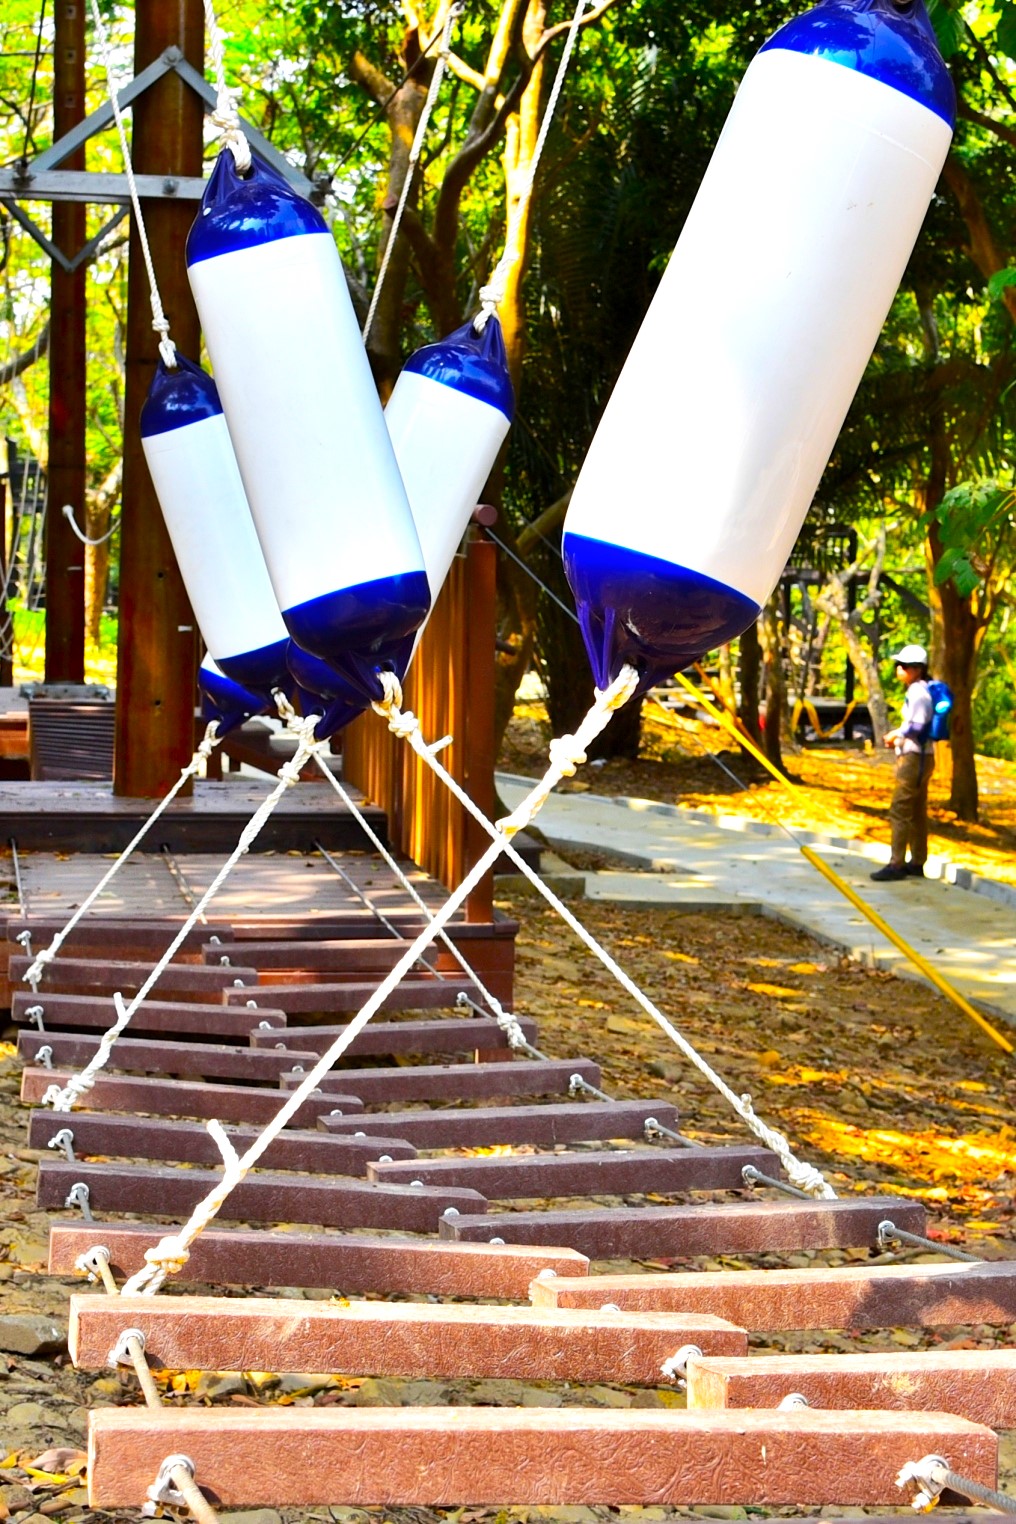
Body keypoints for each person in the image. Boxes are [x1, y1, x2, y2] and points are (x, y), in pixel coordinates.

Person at [870, 643, 934, 882]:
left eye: (904, 666)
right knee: (916, 810)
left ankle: (896, 863)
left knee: (900, 809)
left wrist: (896, 735)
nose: (899, 669)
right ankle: (917, 861)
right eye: (899, 665)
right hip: (922, 756)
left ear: (917, 669)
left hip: (914, 758)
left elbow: (917, 725)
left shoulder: (917, 692)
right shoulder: (922, 690)